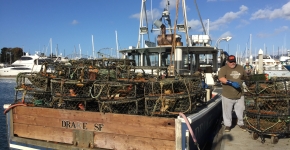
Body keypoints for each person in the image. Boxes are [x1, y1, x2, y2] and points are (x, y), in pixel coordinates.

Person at [218, 55, 247, 132]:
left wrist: (248, 76)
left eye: (234, 61)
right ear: (227, 62)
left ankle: (241, 123)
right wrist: (230, 83)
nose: (232, 63)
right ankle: (227, 125)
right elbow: (221, 78)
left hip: (240, 94)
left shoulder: (240, 67)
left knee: (241, 109)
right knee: (227, 111)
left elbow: (245, 77)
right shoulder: (223, 69)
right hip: (227, 95)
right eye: (231, 62)